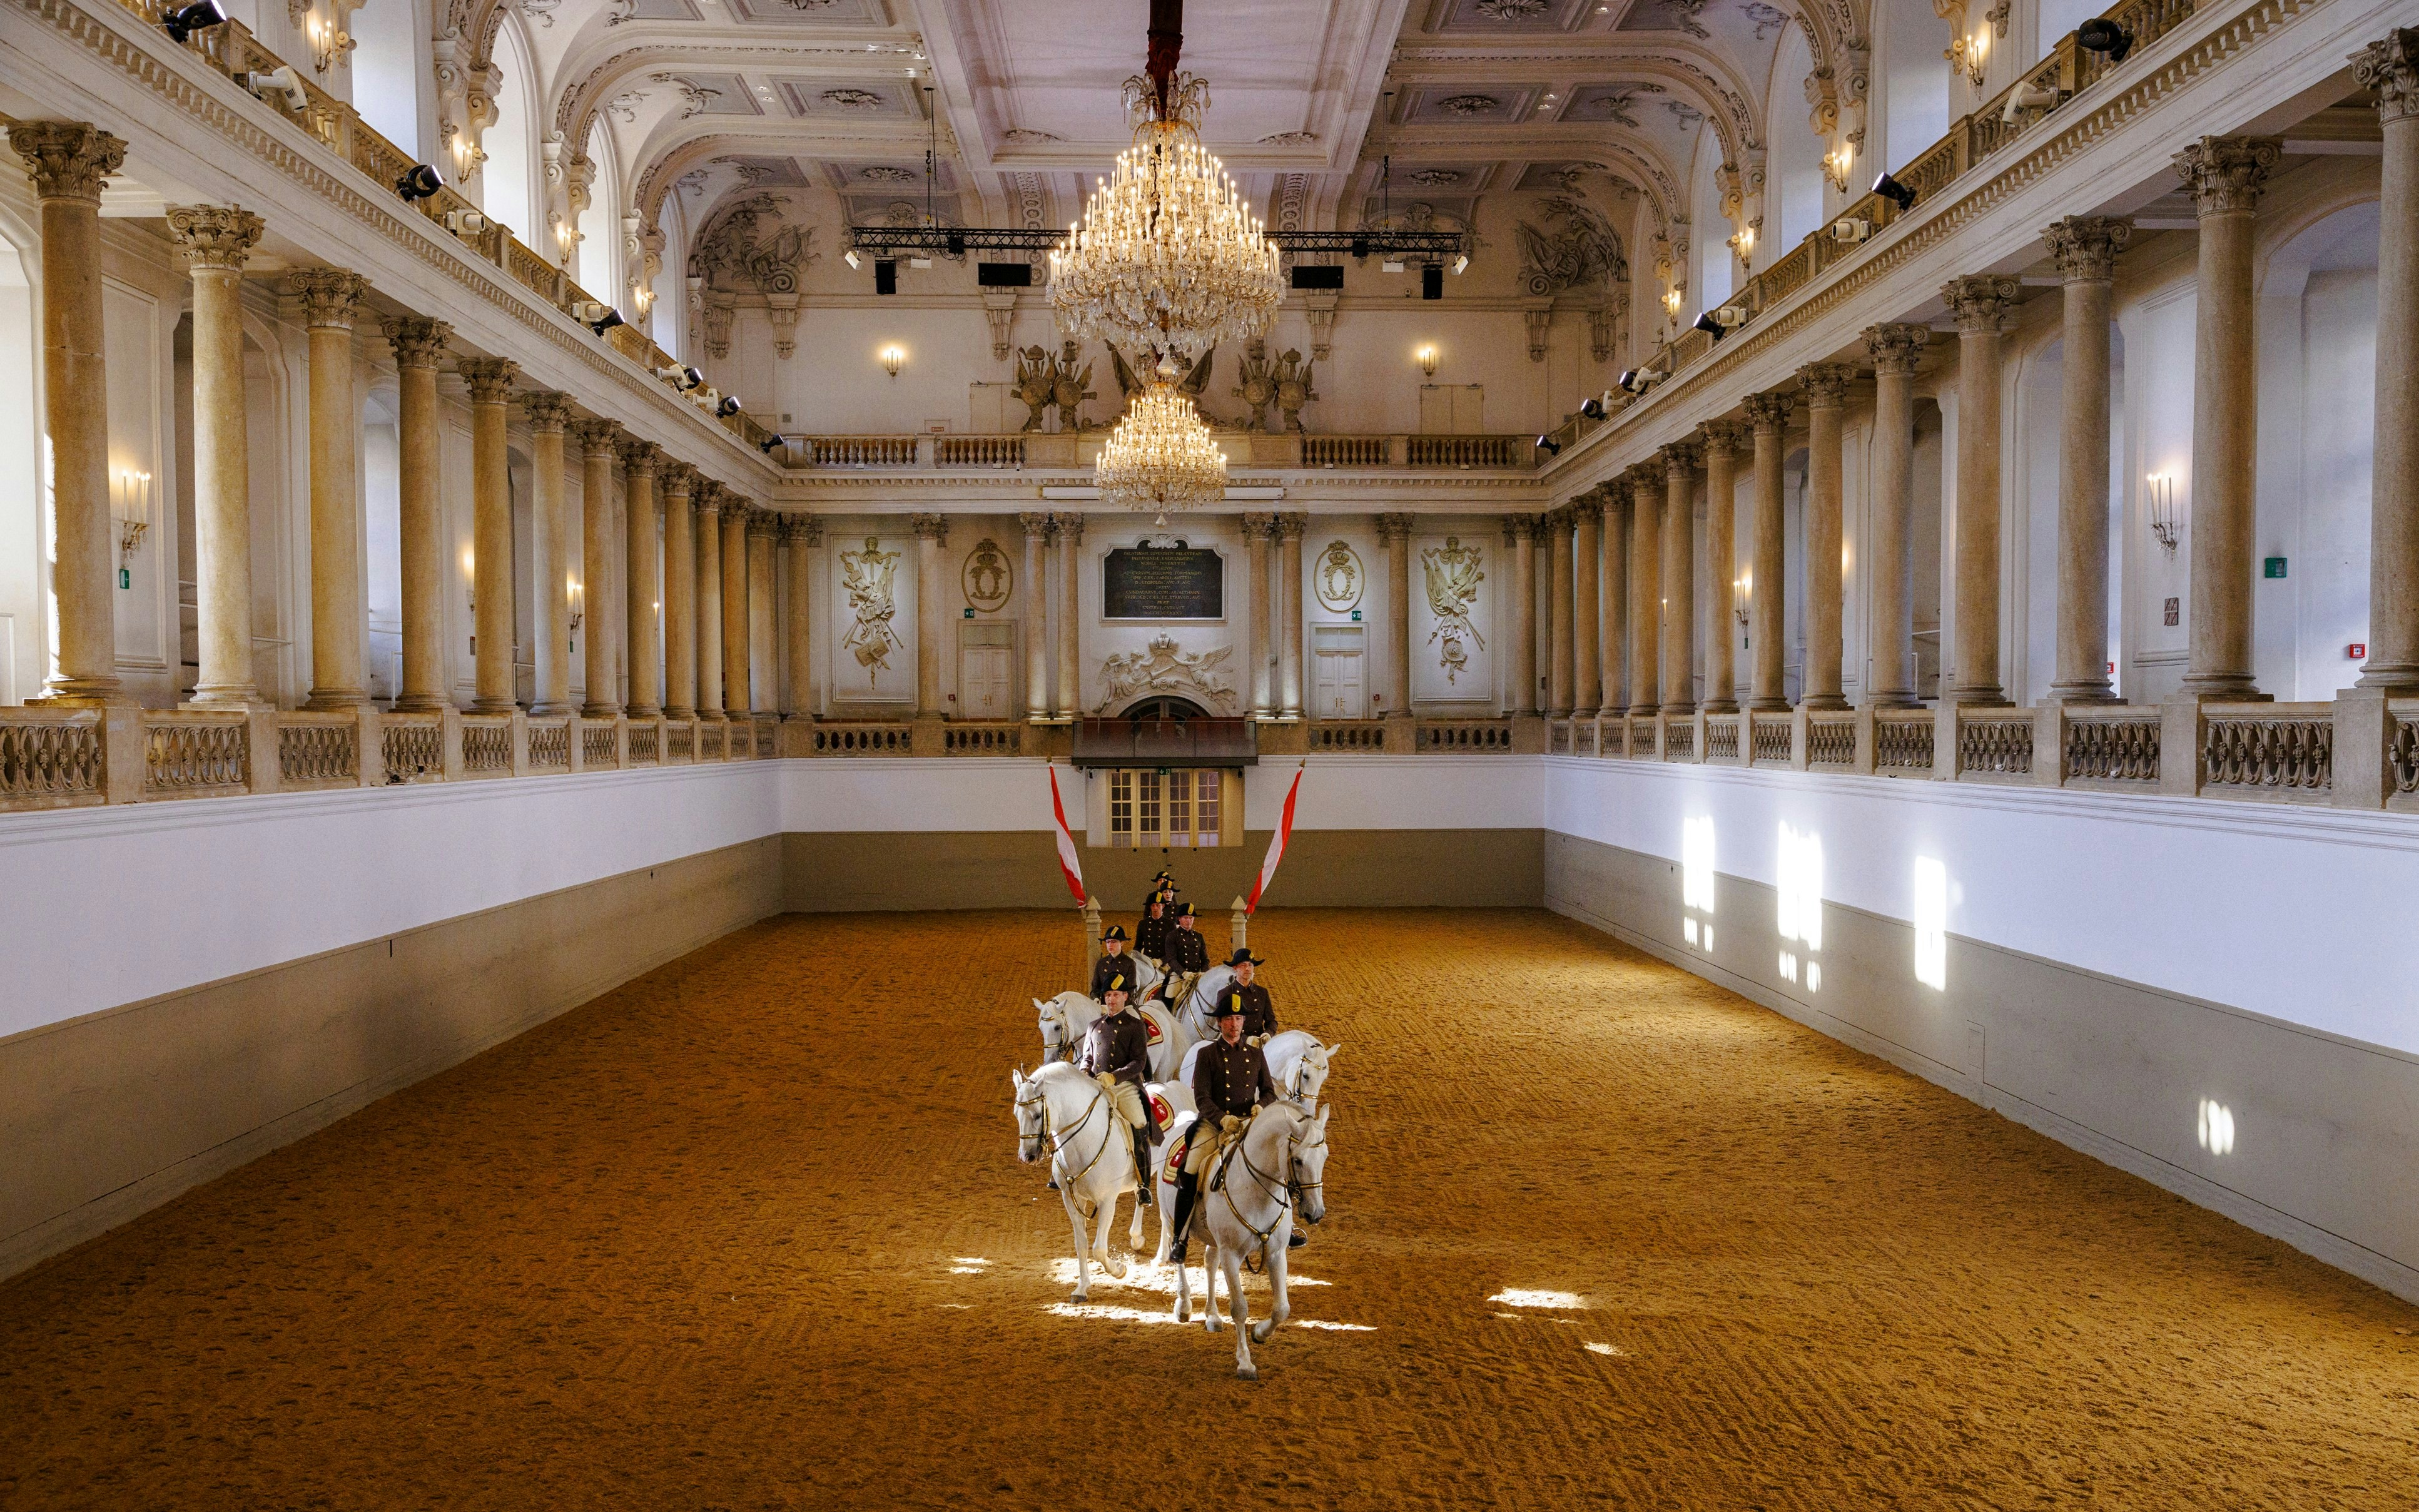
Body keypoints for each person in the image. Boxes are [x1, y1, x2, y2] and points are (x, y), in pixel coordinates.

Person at [1166, 999, 1275, 1262]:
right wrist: (1222, 1119)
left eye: (1238, 1019)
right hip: (1214, 1125)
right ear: (1219, 1023)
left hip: (1249, 1123)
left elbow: (1270, 1092)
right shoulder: (1207, 1055)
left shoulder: (1256, 1055)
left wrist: (1261, 1107)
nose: (1234, 1024)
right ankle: (1179, 1239)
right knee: (1191, 1168)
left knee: (1277, 1162)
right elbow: (1202, 1098)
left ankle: (1284, 1226)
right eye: (1228, 1019)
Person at [1077, 964, 1157, 1205]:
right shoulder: (1094, 1026)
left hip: (1124, 1087)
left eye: (1116, 995)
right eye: (1108, 995)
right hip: (1095, 1085)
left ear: (1125, 997)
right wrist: (1084, 1074)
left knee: (1138, 1124)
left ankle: (1143, 1185)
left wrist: (1114, 1077)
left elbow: (1139, 1063)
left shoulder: (1135, 1027)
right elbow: (1089, 1058)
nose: (1111, 1000)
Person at [1220, 948, 1278, 1042]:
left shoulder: (1262, 992)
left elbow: (1271, 1020)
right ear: (1235, 968)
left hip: (1259, 1042)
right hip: (1235, 1045)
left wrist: (1268, 1034)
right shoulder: (1226, 993)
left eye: (1250, 965)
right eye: (1243, 965)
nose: (1247, 969)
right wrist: (1246, 1039)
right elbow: (1222, 1026)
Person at [1090, 925, 1134, 1000]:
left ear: (1122, 943)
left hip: (1123, 1005)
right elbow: (1094, 989)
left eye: (1114, 942)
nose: (1110, 945)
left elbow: (1130, 990)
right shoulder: (1101, 963)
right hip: (1103, 1005)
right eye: (1108, 942)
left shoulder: (1129, 963)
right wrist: (1096, 999)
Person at [1166, 902, 1211, 975]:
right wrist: (1183, 973)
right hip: (1178, 975)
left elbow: (1205, 960)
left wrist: (1204, 973)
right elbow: (1172, 960)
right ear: (1179, 919)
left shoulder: (1199, 936)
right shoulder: (1172, 936)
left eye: (1191, 918)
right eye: (1185, 918)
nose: (1188, 921)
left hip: (1197, 974)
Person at [1135, 893, 1174, 965]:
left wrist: (1162, 961)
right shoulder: (1143, 924)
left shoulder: (1170, 925)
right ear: (1150, 907)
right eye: (1153, 906)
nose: (1155, 908)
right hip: (1146, 962)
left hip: (1164, 963)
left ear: (1163, 906)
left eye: (1158, 905)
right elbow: (1138, 947)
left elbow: (1173, 950)